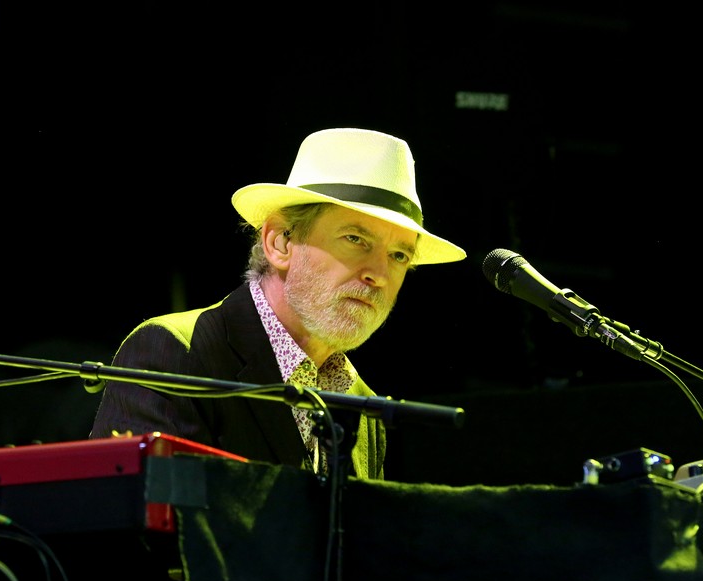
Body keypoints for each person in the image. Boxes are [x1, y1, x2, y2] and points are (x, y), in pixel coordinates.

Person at [89, 127, 466, 480]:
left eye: (399, 255)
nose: (379, 274)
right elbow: (134, 521)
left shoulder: (363, 405)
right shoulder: (176, 353)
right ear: (280, 242)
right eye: (355, 239)